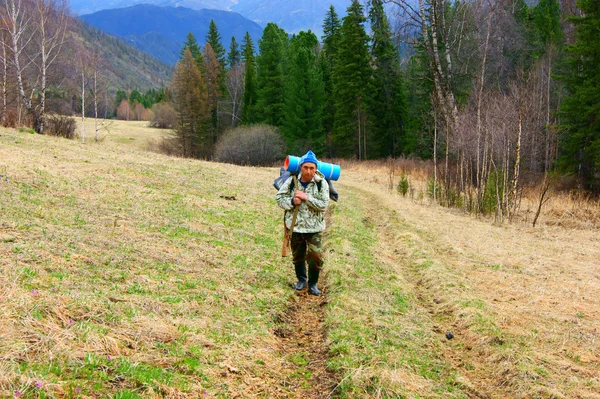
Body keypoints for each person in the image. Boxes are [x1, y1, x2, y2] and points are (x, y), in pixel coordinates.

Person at [275, 150, 330, 295]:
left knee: (316, 257)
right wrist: (292, 201)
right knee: (297, 256)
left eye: (312, 168)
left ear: (316, 169)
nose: (308, 171)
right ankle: (301, 280)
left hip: (314, 228)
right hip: (295, 226)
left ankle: (313, 284)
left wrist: (307, 197)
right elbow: (279, 199)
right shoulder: (292, 181)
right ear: (300, 167)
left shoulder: (321, 183)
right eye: (305, 167)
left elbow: (324, 205)